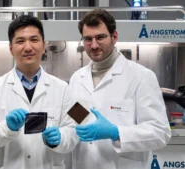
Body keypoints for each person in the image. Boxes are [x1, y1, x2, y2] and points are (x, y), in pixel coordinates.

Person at [68, 9, 171, 169]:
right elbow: (75, 120)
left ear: (114, 37)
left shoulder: (141, 77)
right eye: (88, 39)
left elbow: (160, 133)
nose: (94, 45)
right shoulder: (76, 79)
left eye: (100, 37)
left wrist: (116, 133)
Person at [0, 15, 78, 169]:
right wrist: (7, 128)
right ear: (10, 48)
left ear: (44, 45)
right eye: (20, 41)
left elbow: (74, 131)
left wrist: (59, 139)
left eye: (34, 40)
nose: (28, 47)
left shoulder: (63, 88)